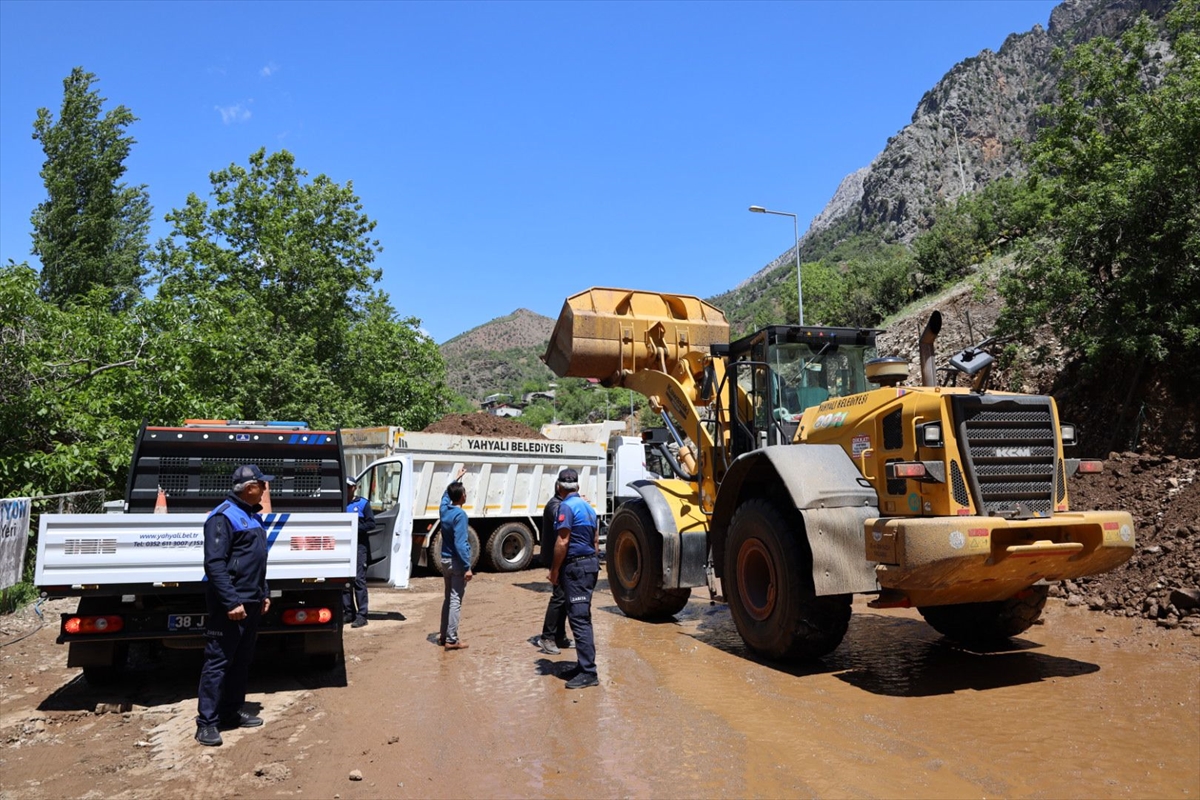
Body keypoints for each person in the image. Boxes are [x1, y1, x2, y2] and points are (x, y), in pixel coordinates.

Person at [195, 464, 273, 746]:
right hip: (231, 605)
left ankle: (230, 713)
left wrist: (264, 593)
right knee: (218, 662)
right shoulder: (222, 517)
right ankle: (206, 723)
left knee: (241, 662)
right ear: (250, 487)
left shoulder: (251, 517)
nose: (265, 489)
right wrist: (231, 601)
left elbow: (257, 562)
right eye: (262, 485)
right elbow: (214, 564)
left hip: (251, 601)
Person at [548, 468, 600, 689]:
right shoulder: (589, 508)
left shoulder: (566, 507)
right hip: (588, 565)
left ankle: (589, 672)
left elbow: (562, 542)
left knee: (579, 619)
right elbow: (596, 542)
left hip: (576, 566)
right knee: (581, 616)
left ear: (559, 487)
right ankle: (582, 665)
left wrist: (554, 571)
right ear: (578, 487)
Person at [535, 480, 573, 655]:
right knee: (558, 597)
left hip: (564, 558)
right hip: (555, 558)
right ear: (558, 487)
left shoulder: (565, 504)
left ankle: (559, 636)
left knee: (564, 598)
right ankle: (547, 637)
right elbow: (561, 517)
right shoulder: (555, 505)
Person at [438, 466, 472, 651]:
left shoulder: (444, 510)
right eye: (464, 492)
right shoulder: (460, 515)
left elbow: (445, 496)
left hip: (444, 560)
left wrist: (456, 480)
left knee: (448, 598)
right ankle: (452, 639)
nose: (466, 495)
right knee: (456, 600)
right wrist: (467, 567)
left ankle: (444, 635)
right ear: (461, 497)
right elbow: (461, 544)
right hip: (457, 562)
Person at [342, 476, 377, 629]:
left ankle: (362, 615)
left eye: (349, 487)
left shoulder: (362, 504)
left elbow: (371, 524)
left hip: (359, 546)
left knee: (358, 580)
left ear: (354, 488)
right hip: (343, 546)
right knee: (344, 581)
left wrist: (354, 527)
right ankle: (348, 612)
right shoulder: (339, 503)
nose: (347, 489)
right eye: (345, 487)